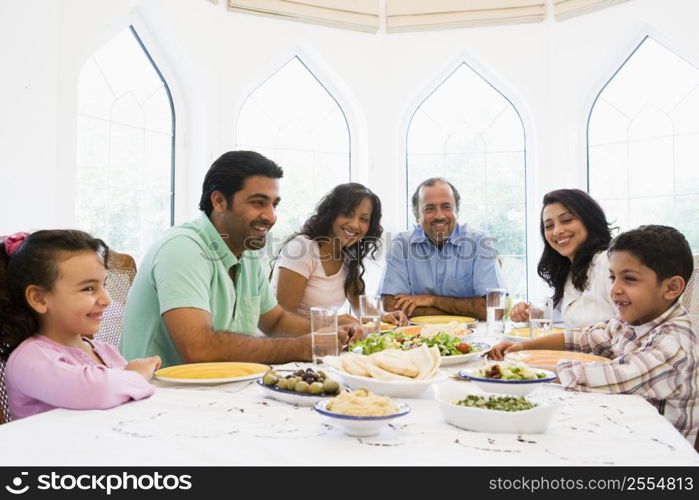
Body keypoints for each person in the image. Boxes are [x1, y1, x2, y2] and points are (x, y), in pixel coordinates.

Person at [120, 151, 363, 368]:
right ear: (219, 201)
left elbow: (275, 322)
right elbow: (198, 349)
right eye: (258, 203)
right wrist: (302, 347)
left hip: (218, 391)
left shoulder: (247, 253)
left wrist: (331, 330)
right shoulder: (183, 248)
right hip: (159, 398)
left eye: (274, 204)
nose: (270, 216)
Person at [490, 225, 698, 443]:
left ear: (672, 287)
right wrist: (524, 348)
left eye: (629, 279)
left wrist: (522, 369)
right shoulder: (631, 323)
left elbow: (619, 375)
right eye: (612, 277)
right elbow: (582, 338)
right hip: (628, 430)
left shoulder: (676, 341)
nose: (614, 290)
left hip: (659, 454)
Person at [0, 230, 158, 420]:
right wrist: (137, 375)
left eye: (104, 286)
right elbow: (96, 391)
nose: (106, 300)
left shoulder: (105, 351)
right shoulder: (29, 359)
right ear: (39, 298)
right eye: (89, 288)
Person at [271, 183, 406, 327]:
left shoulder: (348, 254)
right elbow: (282, 321)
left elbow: (361, 306)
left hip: (320, 342)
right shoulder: (301, 249)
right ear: (331, 213)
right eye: (348, 214)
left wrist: (384, 315)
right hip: (286, 344)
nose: (355, 225)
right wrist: (332, 322)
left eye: (364, 219)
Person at [379, 177, 505, 320]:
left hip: (474, 336)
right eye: (429, 208)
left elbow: (494, 310)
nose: (439, 215)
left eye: (446, 207)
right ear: (416, 216)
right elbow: (391, 307)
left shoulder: (479, 242)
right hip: (415, 336)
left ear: (456, 211)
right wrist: (466, 309)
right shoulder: (401, 244)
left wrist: (432, 300)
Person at [510, 189, 617, 328]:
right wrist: (531, 314)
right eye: (549, 226)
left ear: (589, 220)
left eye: (566, 220)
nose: (557, 231)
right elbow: (565, 320)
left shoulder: (606, 262)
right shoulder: (570, 271)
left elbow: (629, 326)